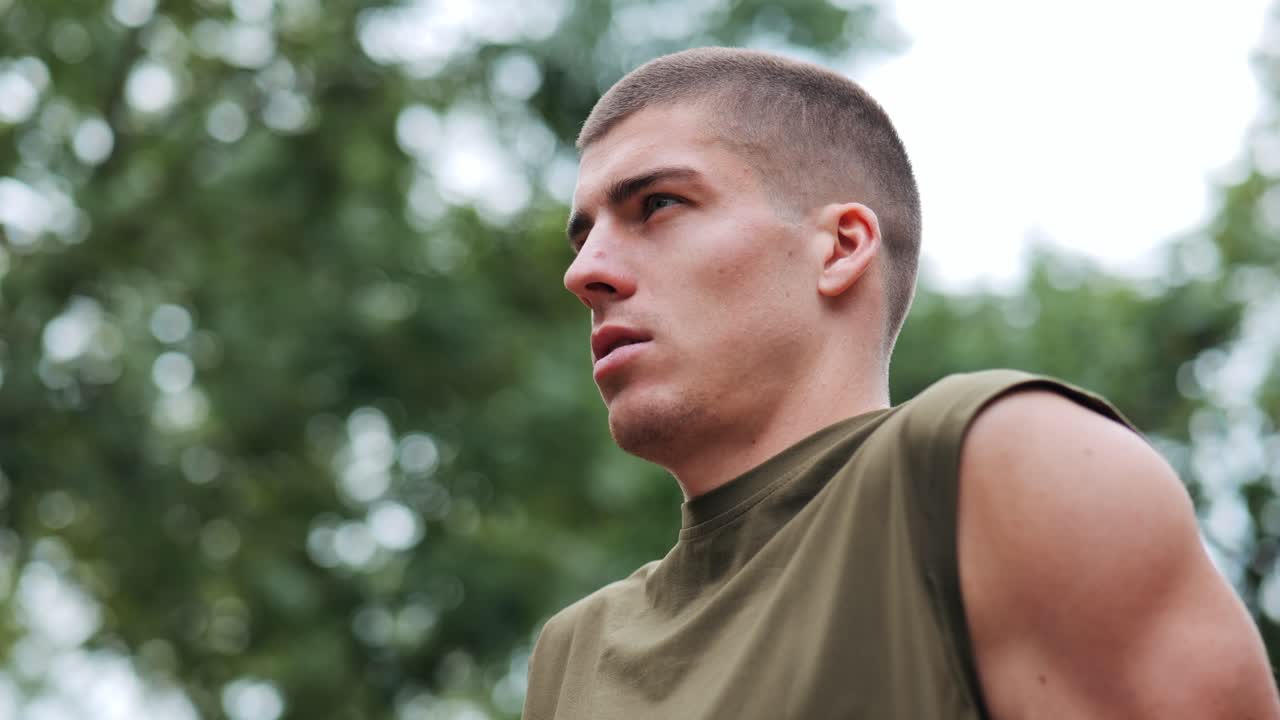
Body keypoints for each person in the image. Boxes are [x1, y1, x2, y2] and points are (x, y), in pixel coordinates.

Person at [523, 47, 1279, 719]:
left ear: (841, 248)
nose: (584, 272)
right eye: (585, 233)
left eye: (657, 205)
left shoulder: (1001, 464)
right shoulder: (574, 654)